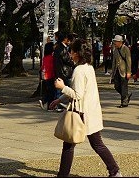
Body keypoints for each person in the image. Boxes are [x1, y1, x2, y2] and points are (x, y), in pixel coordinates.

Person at [50, 39, 122, 177]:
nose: (70, 54)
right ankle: (114, 170)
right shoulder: (88, 68)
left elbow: (77, 94)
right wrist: (60, 99)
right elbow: (79, 90)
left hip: (81, 113)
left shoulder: (78, 70)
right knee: (96, 144)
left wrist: (62, 88)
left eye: (71, 51)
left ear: (77, 53)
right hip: (90, 111)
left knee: (70, 146)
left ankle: (114, 170)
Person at [54, 33, 77, 109]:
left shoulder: (59, 48)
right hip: (64, 72)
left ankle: (59, 105)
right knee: (67, 89)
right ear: (64, 39)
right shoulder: (62, 48)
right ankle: (60, 105)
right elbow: (66, 60)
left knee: (61, 89)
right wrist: (73, 63)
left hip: (61, 71)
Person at [111, 35, 132, 107]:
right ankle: (126, 95)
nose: (114, 43)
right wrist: (112, 72)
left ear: (120, 42)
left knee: (124, 86)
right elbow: (114, 61)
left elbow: (128, 61)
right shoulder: (115, 49)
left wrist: (129, 72)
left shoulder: (126, 49)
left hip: (124, 71)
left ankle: (124, 102)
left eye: (116, 41)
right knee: (116, 86)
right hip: (117, 70)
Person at [40, 41, 56, 110]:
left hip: (45, 76)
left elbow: (43, 67)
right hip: (50, 76)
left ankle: (45, 102)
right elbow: (52, 67)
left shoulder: (45, 58)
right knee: (51, 92)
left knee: (49, 91)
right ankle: (47, 103)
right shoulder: (52, 58)